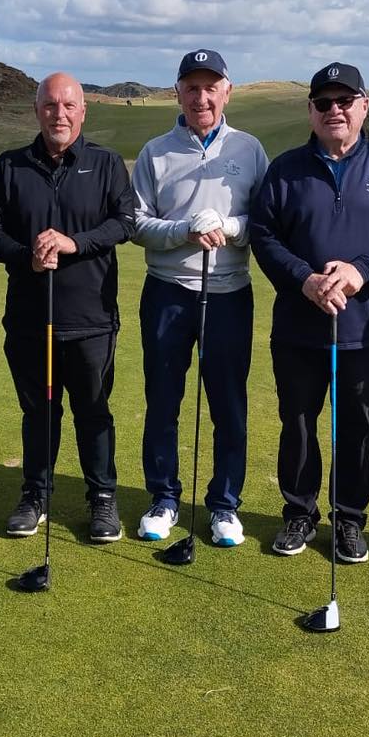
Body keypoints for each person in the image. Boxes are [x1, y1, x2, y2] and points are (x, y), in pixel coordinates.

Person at [250, 62, 369, 562]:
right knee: (299, 424)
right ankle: (299, 512)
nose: (335, 111)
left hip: (361, 330)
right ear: (310, 110)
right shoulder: (285, 169)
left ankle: (349, 518)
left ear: (364, 106)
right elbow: (264, 236)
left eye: (345, 101)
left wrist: (361, 270)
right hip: (298, 329)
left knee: (356, 427)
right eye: (323, 103)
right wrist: (305, 279)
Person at [0, 72, 135, 542]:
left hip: (91, 319)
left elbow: (125, 222)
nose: (60, 114)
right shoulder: (11, 166)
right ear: (37, 111)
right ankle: (36, 494)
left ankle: (103, 500)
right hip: (31, 319)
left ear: (83, 111)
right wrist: (25, 254)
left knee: (94, 411)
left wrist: (75, 243)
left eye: (69, 106)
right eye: (50, 105)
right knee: (39, 413)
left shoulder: (107, 164)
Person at [131, 48, 268, 547]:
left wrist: (232, 227)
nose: (201, 97)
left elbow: (268, 223)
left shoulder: (250, 150)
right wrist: (182, 231)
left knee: (229, 404)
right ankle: (164, 498)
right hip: (167, 293)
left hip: (229, 294)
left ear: (227, 91)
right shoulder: (155, 151)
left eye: (211, 87)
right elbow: (137, 223)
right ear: (178, 92)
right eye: (192, 87)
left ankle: (225, 505)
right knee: (163, 400)